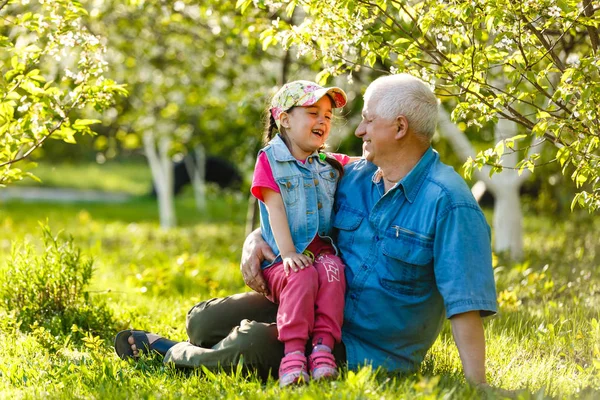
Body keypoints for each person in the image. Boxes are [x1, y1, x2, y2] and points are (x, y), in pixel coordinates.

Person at [114, 73, 497, 387]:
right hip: (310, 297)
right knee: (204, 321)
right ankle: (213, 341)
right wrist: (256, 239)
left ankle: (169, 352)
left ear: (399, 128)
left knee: (250, 344)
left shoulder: (450, 203)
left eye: (368, 119)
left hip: (363, 345)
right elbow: (293, 192)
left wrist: (477, 385)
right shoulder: (351, 173)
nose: (360, 129)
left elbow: (466, 304)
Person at [249, 80, 357, 386]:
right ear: (284, 119)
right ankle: (293, 354)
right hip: (283, 262)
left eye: (327, 115)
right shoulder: (270, 160)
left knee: (334, 270)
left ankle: (323, 349)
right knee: (302, 274)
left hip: (320, 256)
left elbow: (355, 163)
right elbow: (276, 210)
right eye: (312, 112)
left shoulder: (327, 164)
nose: (322, 120)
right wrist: (288, 254)